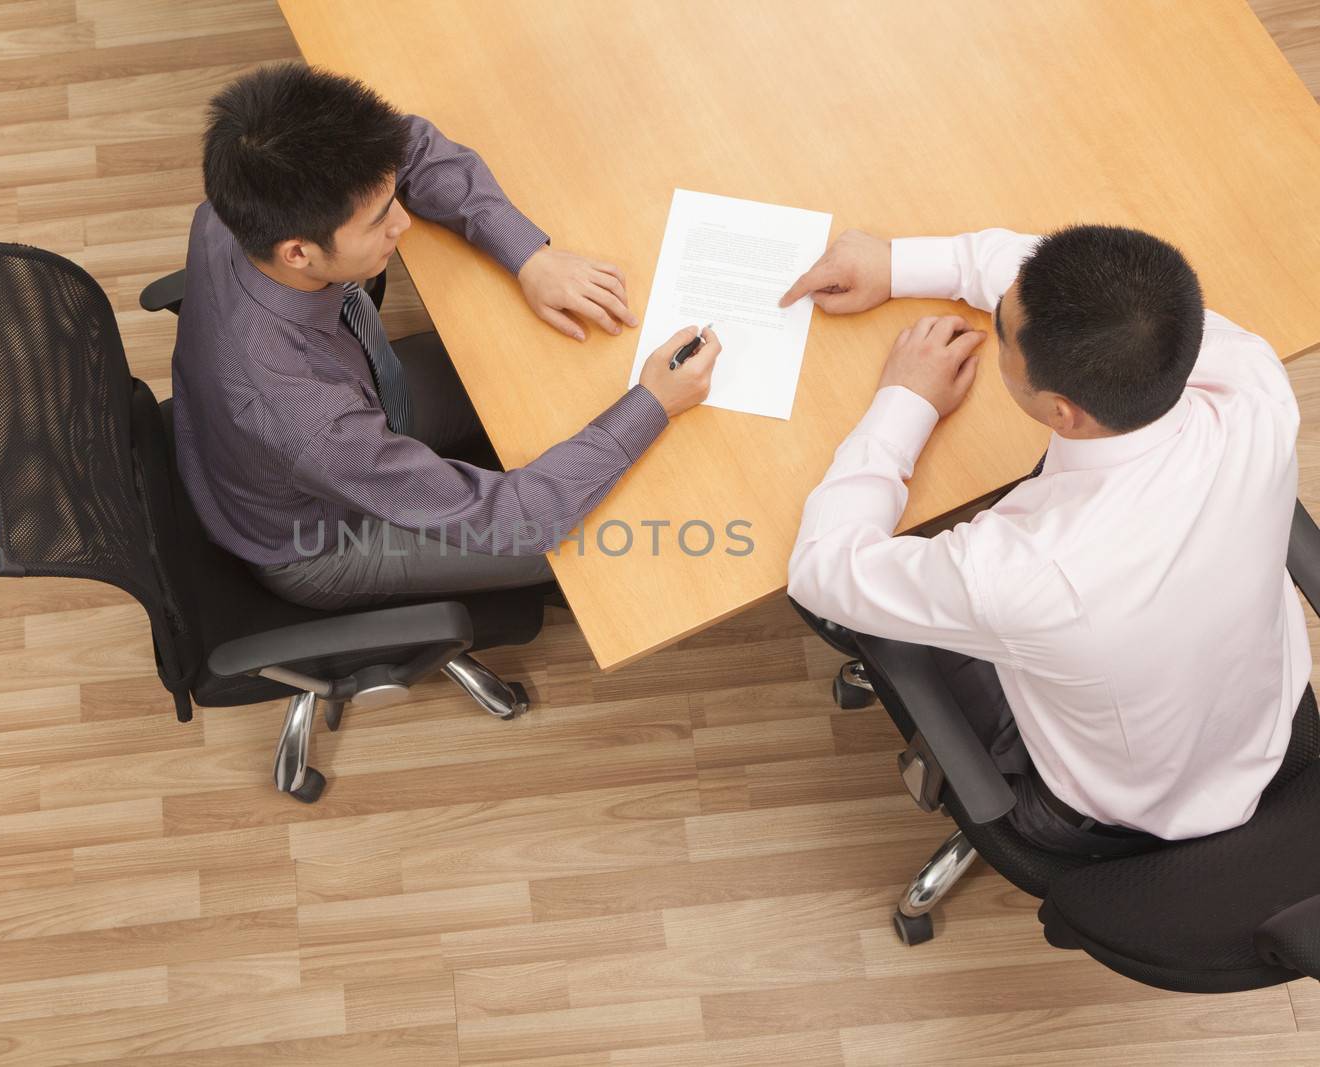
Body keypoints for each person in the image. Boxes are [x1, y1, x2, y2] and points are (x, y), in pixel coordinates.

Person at [782, 224, 1310, 857]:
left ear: (1062, 411)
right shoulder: (1253, 379)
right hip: (1256, 723)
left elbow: (821, 570)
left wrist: (905, 401)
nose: (996, 325)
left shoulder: (1024, 574)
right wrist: (897, 264)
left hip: (1112, 812)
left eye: (1002, 337)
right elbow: (1067, 277)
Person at [171, 64, 720, 610]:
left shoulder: (237, 207)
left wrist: (529, 254)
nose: (403, 224)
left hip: (339, 412)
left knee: (528, 366)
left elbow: (409, 146)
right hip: (322, 540)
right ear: (299, 252)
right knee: (599, 532)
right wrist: (653, 405)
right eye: (379, 220)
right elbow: (520, 521)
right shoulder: (311, 422)